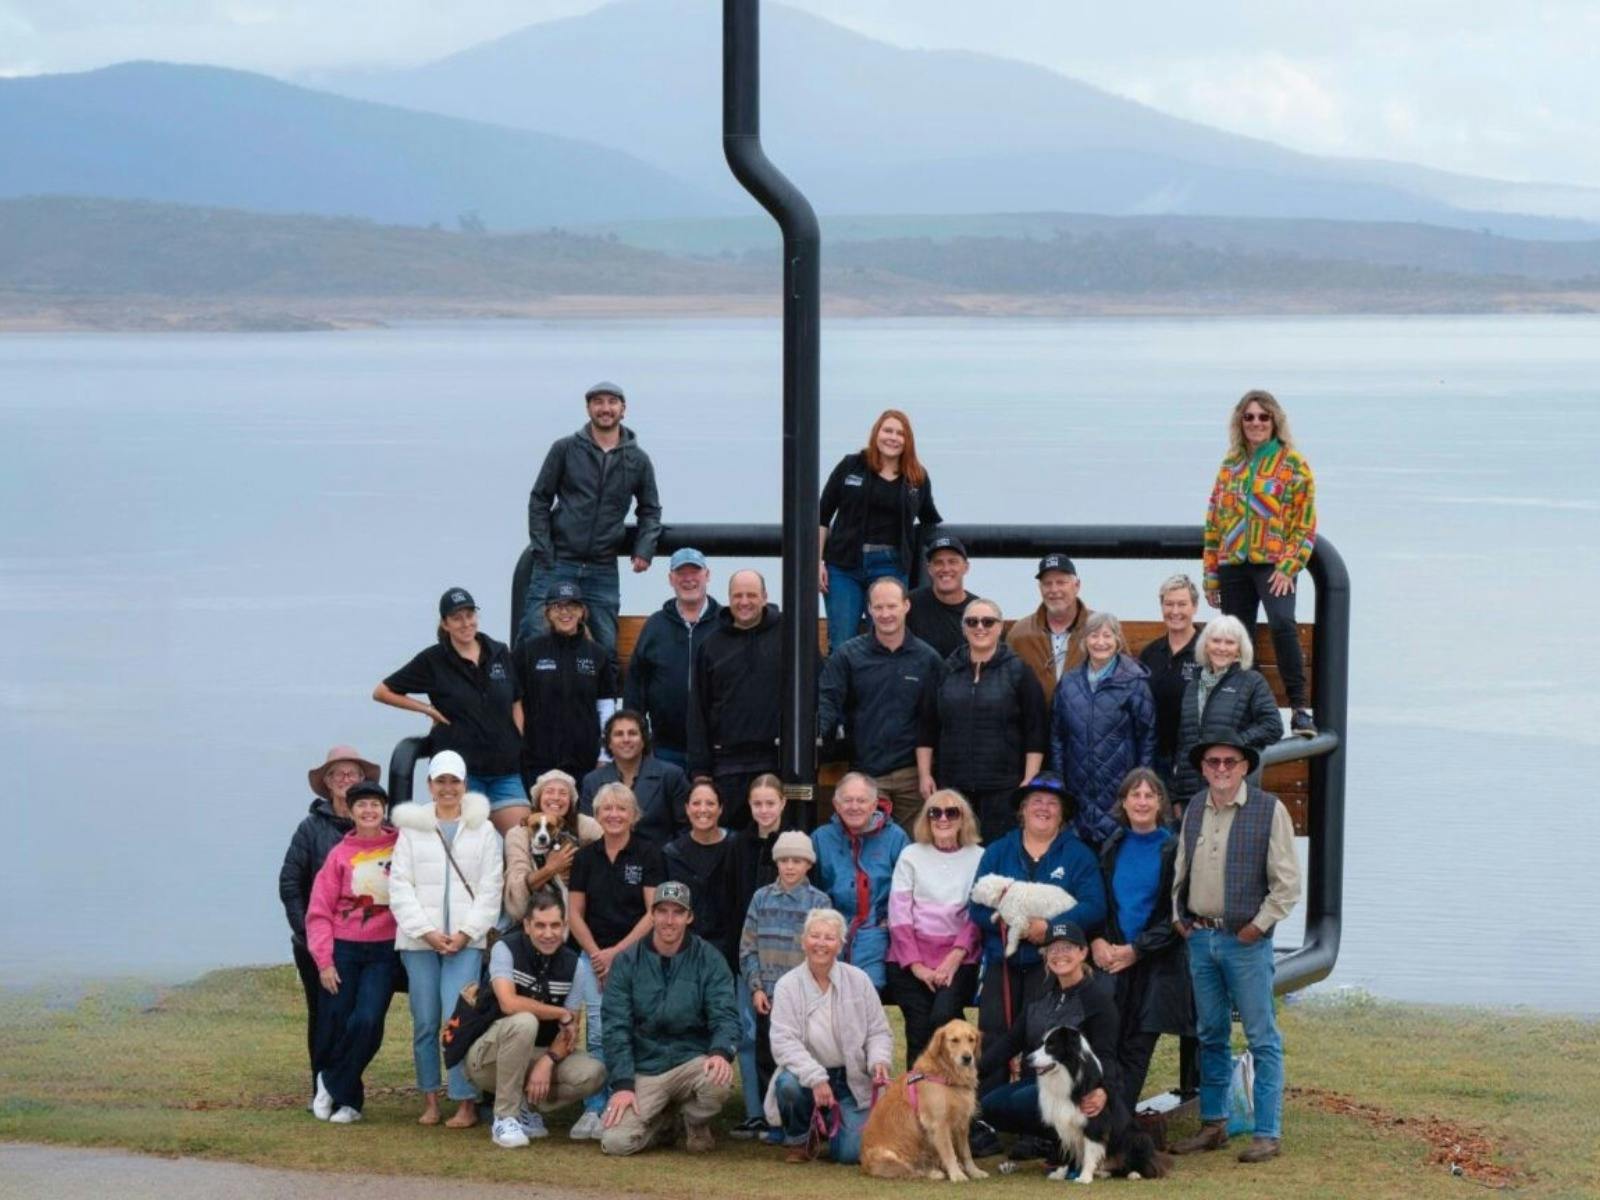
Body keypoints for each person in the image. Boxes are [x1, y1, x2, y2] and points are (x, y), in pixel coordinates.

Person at [1170, 730, 1301, 1164]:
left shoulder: (1269, 809)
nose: (1221, 769)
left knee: (1262, 1037)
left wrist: (1258, 926)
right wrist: (1178, 917)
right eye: (1213, 763)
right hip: (1200, 937)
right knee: (1210, 1034)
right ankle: (1214, 1125)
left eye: (1230, 762)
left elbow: (1287, 885)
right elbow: (1181, 867)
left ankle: (1267, 1133)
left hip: (1245, 942)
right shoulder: (1194, 807)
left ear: (1245, 767)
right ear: (1204, 769)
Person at [969, 772, 1106, 1099]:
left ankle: (1036, 1117)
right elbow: (975, 908)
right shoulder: (998, 852)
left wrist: (1049, 928)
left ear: (1062, 813)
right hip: (1003, 962)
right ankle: (986, 1114)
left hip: (1052, 966)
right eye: (1036, 802)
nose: (1043, 808)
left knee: (1043, 1038)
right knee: (992, 1036)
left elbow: (1094, 907)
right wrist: (1008, 921)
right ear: (1023, 810)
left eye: (1052, 803)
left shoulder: (1078, 855)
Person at [389, 753, 504, 1127]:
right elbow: (400, 885)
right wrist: (426, 931)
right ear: (429, 785)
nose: (448, 789)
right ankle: (429, 1098)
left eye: (455, 781)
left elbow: (491, 887)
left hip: (464, 942)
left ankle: (465, 1101)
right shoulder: (412, 828)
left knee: (459, 1020)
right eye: (441, 782)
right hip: (420, 941)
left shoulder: (483, 830)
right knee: (424, 1020)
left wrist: (467, 932)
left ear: (465, 784)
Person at [1202, 388, 1317, 736]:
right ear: (1240, 421)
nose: (1256, 423)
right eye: (1249, 416)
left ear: (1274, 421)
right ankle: (1243, 711)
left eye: (1263, 417)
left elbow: (1305, 523)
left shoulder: (1292, 464)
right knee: (1238, 638)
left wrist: (1289, 566)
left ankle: (1299, 709)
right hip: (1233, 564)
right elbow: (1213, 521)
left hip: (1273, 565)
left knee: (1283, 624)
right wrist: (1210, 575)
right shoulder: (1230, 465)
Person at [598, 881, 741, 1156]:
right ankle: (666, 1124)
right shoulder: (628, 961)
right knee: (616, 1143)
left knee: (718, 1080)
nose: (669, 920)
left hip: (691, 1061)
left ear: (689, 917)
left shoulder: (709, 959)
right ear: (651, 914)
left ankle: (695, 1121)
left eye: (677, 912)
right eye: (662, 911)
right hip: (646, 1066)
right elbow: (615, 1026)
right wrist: (623, 1085)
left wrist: (720, 1051)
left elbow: (726, 1015)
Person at [521, 380, 662, 654]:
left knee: (604, 643)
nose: (605, 409)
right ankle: (524, 697)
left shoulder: (638, 460)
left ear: (624, 409)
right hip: (558, 561)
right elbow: (539, 499)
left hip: (603, 566)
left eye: (612, 402)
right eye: (598, 402)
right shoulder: (564, 449)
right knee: (534, 634)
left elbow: (650, 510)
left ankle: (603, 699)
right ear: (588, 409)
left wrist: (644, 548)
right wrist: (543, 550)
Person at [462, 889, 608, 1148]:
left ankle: (527, 1108)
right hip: (487, 1057)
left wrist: (548, 1061)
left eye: (555, 925)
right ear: (527, 926)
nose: (548, 933)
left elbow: (570, 1030)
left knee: (594, 1072)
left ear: (565, 927)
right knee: (524, 1021)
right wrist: (559, 1012)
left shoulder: (575, 965)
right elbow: (509, 1003)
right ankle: (504, 1117)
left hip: (536, 1053)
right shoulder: (505, 948)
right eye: (540, 925)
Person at [374, 588, 526, 833]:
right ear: (445, 624)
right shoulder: (432, 660)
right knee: (462, 848)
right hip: (460, 775)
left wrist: (517, 738)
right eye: (457, 618)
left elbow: (516, 700)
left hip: (505, 771)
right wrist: (428, 709)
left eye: (469, 615)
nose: (465, 623)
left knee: (522, 841)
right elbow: (382, 691)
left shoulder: (499, 651)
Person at [278, 745, 379, 1107]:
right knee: (324, 1016)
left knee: (361, 1017)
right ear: (327, 783)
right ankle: (320, 1088)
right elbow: (290, 883)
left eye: (352, 774)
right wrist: (309, 937)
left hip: (365, 940)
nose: (345, 780)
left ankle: (344, 1087)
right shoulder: (310, 829)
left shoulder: (379, 828)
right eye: (338, 774)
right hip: (316, 941)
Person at [567, 782, 666, 1140]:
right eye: (606, 808)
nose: (613, 814)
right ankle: (594, 1107)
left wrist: (616, 953)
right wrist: (596, 954)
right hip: (592, 956)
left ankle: (625, 1104)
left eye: (621, 808)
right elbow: (574, 914)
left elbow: (653, 912)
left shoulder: (648, 853)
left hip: (635, 955)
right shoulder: (585, 856)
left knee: (632, 1030)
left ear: (633, 815)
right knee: (597, 1033)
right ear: (597, 814)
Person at [1091, 769, 1193, 1112]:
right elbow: (1100, 902)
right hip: (1114, 960)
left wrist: (1138, 949)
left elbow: (1178, 915)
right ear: (1123, 802)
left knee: (1137, 1048)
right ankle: (1102, 1121)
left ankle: (1119, 1122)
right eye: (1135, 795)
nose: (1142, 801)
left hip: (1155, 964)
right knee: (1108, 1043)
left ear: (1161, 802)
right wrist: (1098, 941)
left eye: (1150, 795)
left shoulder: (1174, 849)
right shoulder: (1111, 846)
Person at [977, 921, 1120, 1158]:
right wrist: (971, 1072)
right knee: (991, 1106)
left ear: (1083, 952)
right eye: (1052, 949)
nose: (1059, 955)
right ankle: (1054, 1142)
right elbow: (1011, 1041)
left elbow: (1107, 1055)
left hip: (1078, 1088)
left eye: (1067, 948)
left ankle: (1074, 1144)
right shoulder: (1040, 993)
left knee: (1023, 1100)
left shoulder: (1099, 1001)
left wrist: (1104, 1091)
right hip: (1042, 1082)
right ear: (1045, 956)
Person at [765, 908, 895, 1164]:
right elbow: (783, 1043)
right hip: (805, 1077)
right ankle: (801, 1139)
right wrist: (815, 1079)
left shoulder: (859, 980)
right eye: (815, 936)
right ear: (803, 941)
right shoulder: (787, 985)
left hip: (850, 1076)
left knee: (849, 1154)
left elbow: (879, 1031)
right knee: (787, 1086)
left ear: (840, 945)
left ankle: (829, 1124)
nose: (821, 944)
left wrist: (879, 1061)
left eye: (829, 938)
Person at [304, 779, 399, 1125]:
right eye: (362, 805)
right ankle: (350, 1102)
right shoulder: (339, 855)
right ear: (352, 810)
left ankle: (329, 1081)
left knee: (368, 1020)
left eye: (375, 804)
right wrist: (324, 961)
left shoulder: (400, 846)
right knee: (337, 1021)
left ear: (383, 809)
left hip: (384, 950)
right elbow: (319, 911)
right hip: (343, 949)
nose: (369, 811)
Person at [817, 577, 945, 830]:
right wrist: (819, 736)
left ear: (906, 606)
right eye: (878, 607)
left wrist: (927, 773)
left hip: (913, 778)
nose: (885, 614)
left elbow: (936, 719)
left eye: (892, 606)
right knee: (870, 853)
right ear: (868, 610)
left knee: (915, 851)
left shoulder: (928, 659)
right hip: (867, 775)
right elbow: (828, 700)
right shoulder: (848, 655)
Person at [917, 597, 1048, 844]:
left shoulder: (1019, 671)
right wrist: (925, 774)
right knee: (956, 852)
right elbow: (927, 727)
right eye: (972, 622)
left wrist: (1029, 779)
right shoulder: (945, 670)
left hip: (1003, 787)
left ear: (1000, 627)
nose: (980, 627)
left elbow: (1035, 730)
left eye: (988, 622)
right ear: (963, 627)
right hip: (954, 785)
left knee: (997, 854)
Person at [818, 409, 941, 652]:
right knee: (842, 641)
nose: (893, 438)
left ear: (908, 441)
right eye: (888, 431)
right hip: (843, 566)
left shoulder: (917, 477)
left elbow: (929, 521)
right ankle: (837, 691)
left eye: (900, 433)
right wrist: (816, 561)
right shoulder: (851, 466)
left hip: (891, 565)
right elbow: (822, 516)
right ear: (876, 433)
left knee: (888, 640)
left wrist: (936, 564)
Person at [737, 831, 832, 1140]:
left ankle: (804, 1119)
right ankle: (772, 1121)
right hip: (768, 996)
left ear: (808, 864)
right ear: (776, 862)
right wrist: (757, 988)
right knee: (767, 1056)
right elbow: (748, 947)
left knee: (803, 1056)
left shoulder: (819, 902)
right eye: (785, 860)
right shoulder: (761, 898)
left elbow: (823, 951)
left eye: (798, 860)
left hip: (803, 998)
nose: (790, 866)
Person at [886, 789, 983, 1068]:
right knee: (918, 1029)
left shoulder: (979, 856)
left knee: (942, 1018)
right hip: (910, 957)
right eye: (934, 812)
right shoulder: (911, 855)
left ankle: (957, 1094)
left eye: (951, 812)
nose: (943, 818)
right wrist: (917, 966)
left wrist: (953, 959)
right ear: (926, 819)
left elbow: (976, 915)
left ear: (963, 818)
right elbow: (899, 915)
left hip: (960, 957)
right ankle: (916, 1100)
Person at [1049, 612, 1157, 847]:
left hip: (1118, 793)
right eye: (1094, 635)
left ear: (1118, 640)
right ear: (1084, 641)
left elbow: (1147, 738)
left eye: (1107, 635)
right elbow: (1057, 737)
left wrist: (1140, 787)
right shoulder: (1068, 683)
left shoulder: (1135, 683)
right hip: (1077, 794)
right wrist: (1059, 783)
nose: (1100, 642)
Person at [687, 569, 783, 830]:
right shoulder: (711, 645)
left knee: (778, 847)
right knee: (731, 846)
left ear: (765, 596)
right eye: (737, 595)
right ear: (728, 598)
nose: (744, 602)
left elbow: (816, 690)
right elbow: (698, 710)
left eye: (751, 595)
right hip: (727, 766)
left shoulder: (790, 635)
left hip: (777, 763)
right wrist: (700, 771)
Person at [727, 774, 791, 1137]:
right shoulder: (739, 845)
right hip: (747, 958)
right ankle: (755, 1111)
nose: (764, 810)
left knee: (782, 1036)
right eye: (757, 804)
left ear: (782, 803)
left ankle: (783, 1115)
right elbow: (732, 901)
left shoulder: (796, 843)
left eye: (771, 803)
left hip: (786, 961)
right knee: (749, 1035)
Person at [1168, 615, 1284, 808]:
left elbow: (1273, 726)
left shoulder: (1252, 682)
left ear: (1239, 649)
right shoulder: (1192, 686)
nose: (1222, 648)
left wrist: (1236, 742)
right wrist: (1176, 796)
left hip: (1232, 792)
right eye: (1216, 641)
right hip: (1191, 797)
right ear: (1206, 645)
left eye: (1229, 642)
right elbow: (1183, 744)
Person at [623, 547, 721, 772]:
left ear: (707, 575)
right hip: (665, 750)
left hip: (716, 750)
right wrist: (638, 737)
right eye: (681, 573)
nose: (688, 579)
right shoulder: (655, 627)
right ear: (671, 579)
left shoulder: (724, 625)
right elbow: (635, 689)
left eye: (694, 572)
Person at [514, 580, 619, 790]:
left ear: (582, 612)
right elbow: (513, 703)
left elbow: (606, 707)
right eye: (558, 606)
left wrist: (604, 756)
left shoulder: (597, 654)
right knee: (541, 822)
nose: (565, 612)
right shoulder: (528, 651)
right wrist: (518, 749)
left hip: (585, 763)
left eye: (572, 606)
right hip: (537, 762)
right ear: (547, 613)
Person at [810, 772, 910, 990]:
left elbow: (908, 891)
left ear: (874, 804)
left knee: (866, 994)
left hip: (878, 935)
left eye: (861, 800)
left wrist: (889, 921)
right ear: (836, 804)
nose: (854, 806)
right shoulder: (821, 838)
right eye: (847, 800)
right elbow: (811, 891)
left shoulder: (896, 838)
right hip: (830, 936)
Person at [503, 769, 602, 922]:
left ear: (571, 801)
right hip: (535, 914)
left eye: (563, 793)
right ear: (538, 798)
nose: (556, 797)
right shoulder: (518, 833)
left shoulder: (584, 824)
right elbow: (517, 888)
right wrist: (550, 869)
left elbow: (612, 845)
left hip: (583, 911)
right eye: (549, 791)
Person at [580, 709, 689, 848]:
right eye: (619, 734)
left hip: (659, 862)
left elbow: (686, 829)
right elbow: (587, 832)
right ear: (609, 743)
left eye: (632, 733)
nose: (626, 739)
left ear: (644, 740)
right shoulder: (592, 781)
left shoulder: (671, 775)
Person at [1138, 574, 1205, 801]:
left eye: (1182, 604)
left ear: (1194, 606)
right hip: (1156, 759)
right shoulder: (1150, 653)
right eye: (1169, 604)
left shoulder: (1208, 651)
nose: (1175, 611)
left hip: (1195, 761)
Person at [663, 781, 738, 969]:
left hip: (729, 950)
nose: (703, 810)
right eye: (696, 803)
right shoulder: (671, 853)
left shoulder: (737, 847)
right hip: (684, 949)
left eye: (710, 803)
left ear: (720, 809)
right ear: (687, 809)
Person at [1007, 553, 1093, 712]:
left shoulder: (1100, 628)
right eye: (1047, 583)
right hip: (1036, 731)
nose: (1054, 590)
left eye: (1061, 582)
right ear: (1040, 588)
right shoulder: (1019, 634)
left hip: (1086, 732)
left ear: (1077, 585)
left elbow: (1126, 682)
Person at [907, 534, 981, 659]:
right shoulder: (910, 604)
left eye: (953, 562)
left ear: (966, 567)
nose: (946, 569)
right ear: (929, 569)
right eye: (938, 562)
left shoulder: (979, 609)